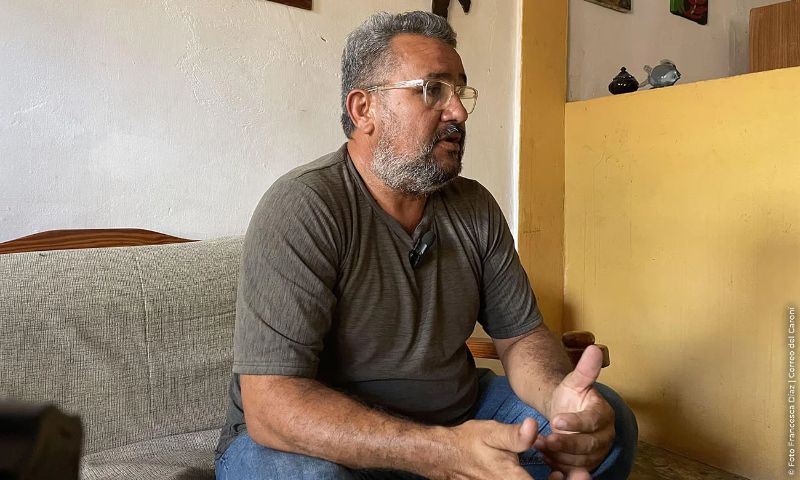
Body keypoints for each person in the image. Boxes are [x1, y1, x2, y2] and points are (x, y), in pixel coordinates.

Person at [215, 10, 637, 480]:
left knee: (605, 426)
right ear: (363, 109)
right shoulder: (304, 206)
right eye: (433, 89)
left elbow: (521, 337)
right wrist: (442, 452)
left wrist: (558, 397)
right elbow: (272, 404)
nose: (458, 112)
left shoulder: (474, 206)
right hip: (324, 444)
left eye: (460, 91)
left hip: (455, 416)